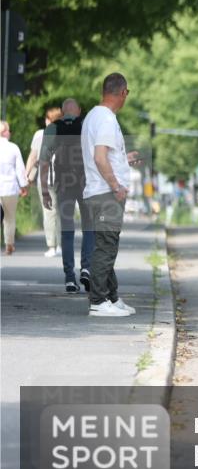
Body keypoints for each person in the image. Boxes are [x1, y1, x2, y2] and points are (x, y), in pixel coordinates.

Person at [82, 73, 141, 318]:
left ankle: (111, 297)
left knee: (108, 246)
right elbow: (99, 157)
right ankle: (98, 301)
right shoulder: (106, 119)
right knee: (105, 248)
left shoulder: (93, 116)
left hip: (97, 191)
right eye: (127, 93)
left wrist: (123, 161)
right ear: (122, 92)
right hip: (105, 193)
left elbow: (104, 155)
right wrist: (116, 186)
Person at [39, 99, 96, 293]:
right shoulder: (87, 125)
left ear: (62, 113)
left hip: (63, 184)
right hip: (86, 183)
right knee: (89, 226)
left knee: (67, 229)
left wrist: (45, 190)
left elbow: (44, 162)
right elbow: (99, 155)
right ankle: (87, 268)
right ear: (79, 111)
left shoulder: (53, 128)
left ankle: (70, 278)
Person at [25, 102, 63, 257]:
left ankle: (51, 246)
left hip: (46, 178)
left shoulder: (40, 134)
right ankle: (60, 245)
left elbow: (33, 157)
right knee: (60, 212)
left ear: (49, 119)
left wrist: (26, 176)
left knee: (49, 211)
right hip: (64, 179)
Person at [0, 121, 29, 255]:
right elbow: (20, 169)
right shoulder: (13, 147)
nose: (10, 133)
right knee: (9, 218)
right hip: (10, 188)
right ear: (4, 132)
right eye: (9, 130)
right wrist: (23, 186)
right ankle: (9, 245)